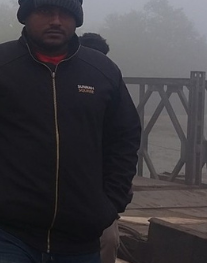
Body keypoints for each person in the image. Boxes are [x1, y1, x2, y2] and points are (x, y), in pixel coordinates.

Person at [0, 0, 141, 263]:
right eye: (45, 10)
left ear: (77, 18)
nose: (55, 20)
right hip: (6, 232)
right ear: (25, 14)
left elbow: (125, 137)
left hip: (81, 237)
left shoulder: (103, 72)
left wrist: (110, 201)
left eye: (65, 12)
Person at [79, 32, 121, 263]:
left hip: (100, 186)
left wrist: (118, 192)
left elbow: (124, 139)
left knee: (108, 240)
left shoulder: (111, 85)